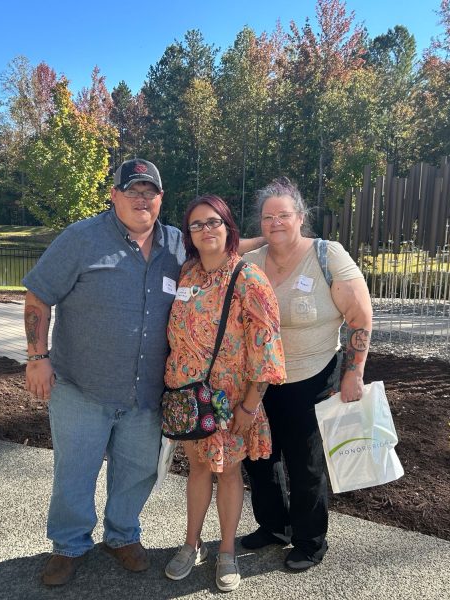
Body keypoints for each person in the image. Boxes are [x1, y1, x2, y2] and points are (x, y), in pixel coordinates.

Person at [23, 159, 263, 587]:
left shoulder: (177, 244)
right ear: (113, 195)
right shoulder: (81, 238)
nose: (141, 199)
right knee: (74, 473)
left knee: (137, 473)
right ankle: (69, 545)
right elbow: (38, 297)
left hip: (147, 395)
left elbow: (221, 246)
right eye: (131, 191)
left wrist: (284, 238)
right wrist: (37, 356)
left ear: (160, 199)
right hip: (82, 387)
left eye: (149, 192)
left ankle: (121, 535)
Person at [240, 177, 373, 571]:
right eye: (267, 217)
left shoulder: (327, 256)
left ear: (301, 217)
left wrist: (354, 373)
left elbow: (360, 317)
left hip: (312, 378)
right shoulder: (252, 263)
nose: (275, 223)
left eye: (284, 215)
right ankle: (273, 526)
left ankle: (310, 541)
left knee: (306, 465)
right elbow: (223, 254)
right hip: (260, 381)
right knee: (261, 459)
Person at [163, 195, 286, 592]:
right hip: (188, 400)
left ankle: (228, 550)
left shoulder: (248, 279)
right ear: (189, 235)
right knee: (198, 468)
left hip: (230, 401)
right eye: (196, 225)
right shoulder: (186, 275)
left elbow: (267, 348)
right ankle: (191, 543)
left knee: (229, 472)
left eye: (213, 222)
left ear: (228, 227)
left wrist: (250, 406)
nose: (205, 230)